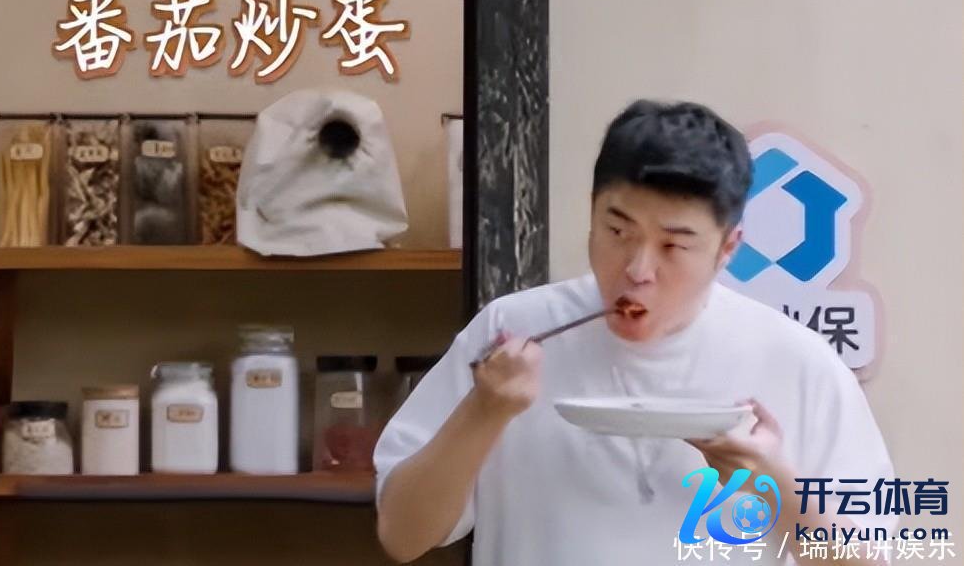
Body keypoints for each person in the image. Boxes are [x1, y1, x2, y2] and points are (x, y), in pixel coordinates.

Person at [374, 100, 895, 565]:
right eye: (618, 231)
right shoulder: (510, 335)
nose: (638, 269)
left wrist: (772, 483)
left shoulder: (797, 363)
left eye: (674, 245)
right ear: (591, 213)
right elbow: (401, 537)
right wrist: (483, 411)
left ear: (727, 248)